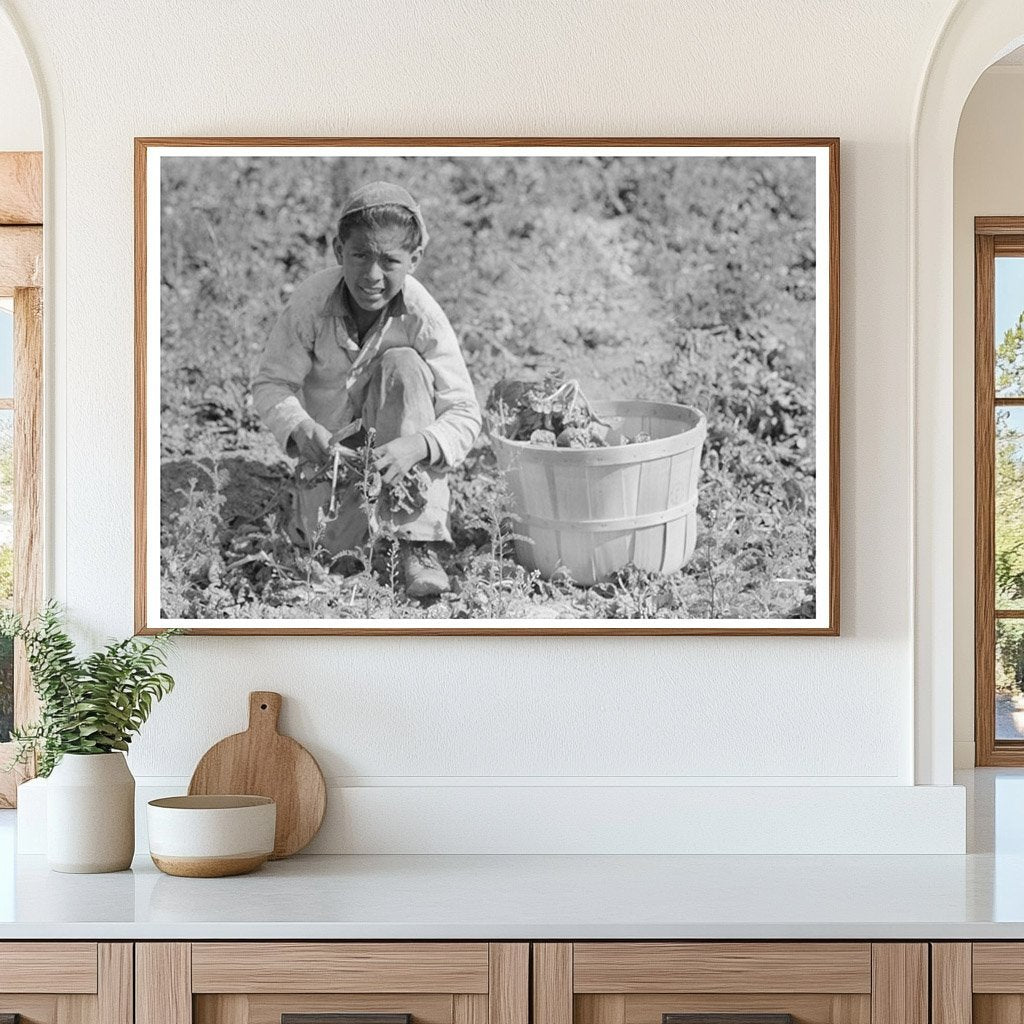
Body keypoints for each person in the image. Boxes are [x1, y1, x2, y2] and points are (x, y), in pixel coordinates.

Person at [253, 181, 481, 599]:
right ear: (339, 251)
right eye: (359, 256)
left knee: (405, 363)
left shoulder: (421, 313)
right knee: (334, 555)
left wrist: (416, 445)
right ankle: (349, 526)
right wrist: (301, 428)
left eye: (389, 261)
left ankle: (416, 544)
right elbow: (272, 382)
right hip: (334, 459)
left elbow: (465, 411)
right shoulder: (311, 303)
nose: (372, 276)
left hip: (400, 458)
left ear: (414, 260)